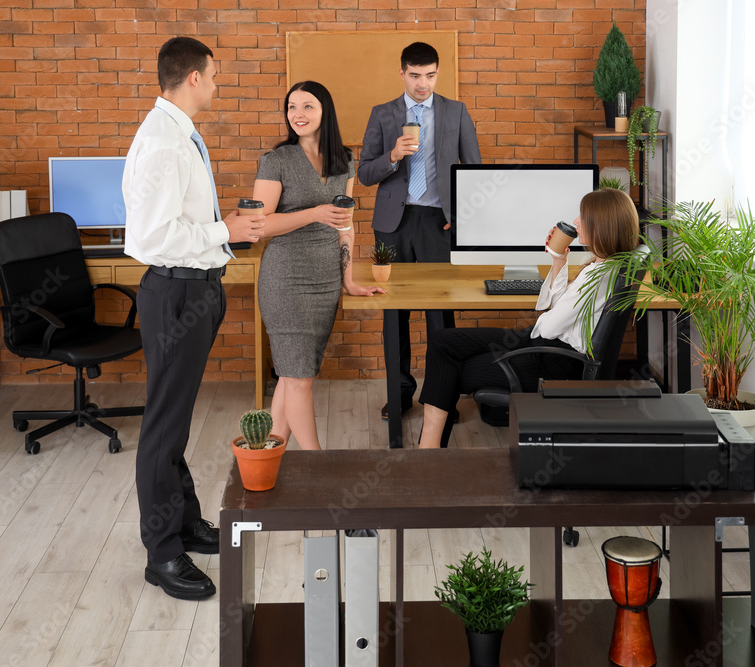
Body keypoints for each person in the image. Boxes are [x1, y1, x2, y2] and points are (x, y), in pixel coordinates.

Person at [123, 37, 266, 600]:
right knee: (163, 426)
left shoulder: (180, 133)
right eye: (214, 75)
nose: (217, 84)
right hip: (176, 296)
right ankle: (162, 554)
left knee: (175, 420)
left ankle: (183, 522)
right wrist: (224, 231)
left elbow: (180, 221)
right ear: (192, 79)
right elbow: (151, 237)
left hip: (196, 290)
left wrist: (222, 231)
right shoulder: (163, 142)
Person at [417, 188, 647, 449]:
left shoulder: (595, 278)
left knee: (447, 363)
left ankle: (428, 454)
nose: (576, 222)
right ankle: (430, 451)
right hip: (550, 350)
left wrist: (537, 327)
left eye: (583, 216)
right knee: (442, 342)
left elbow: (547, 327)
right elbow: (557, 311)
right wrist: (559, 261)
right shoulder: (606, 266)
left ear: (602, 225)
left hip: (552, 361)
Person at [252, 81, 385, 451]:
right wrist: (313, 213)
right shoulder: (276, 161)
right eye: (292, 106)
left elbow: (346, 225)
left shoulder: (345, 160)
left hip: (324, 281)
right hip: (286, 280)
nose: (298, 113)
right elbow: (259, 226)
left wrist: (349, 280)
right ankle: (318, 465)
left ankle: (268, 460)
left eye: (307, 106)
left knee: (292, 377)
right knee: (299, 379)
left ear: (324, 112)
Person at [358, 41, 481, 419]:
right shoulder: (382, 114)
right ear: (402, 74)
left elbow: (474, 171)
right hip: (392, 225)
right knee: (394, 312)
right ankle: (399, 394)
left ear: (437, 73)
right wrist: (393, 156)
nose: (422, 83)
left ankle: (440, 398)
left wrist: (462, 216)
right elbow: (364, 173)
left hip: (437, 222)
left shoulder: (456, 112)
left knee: (440, 314)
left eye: (429, 75)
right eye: (415, 75)